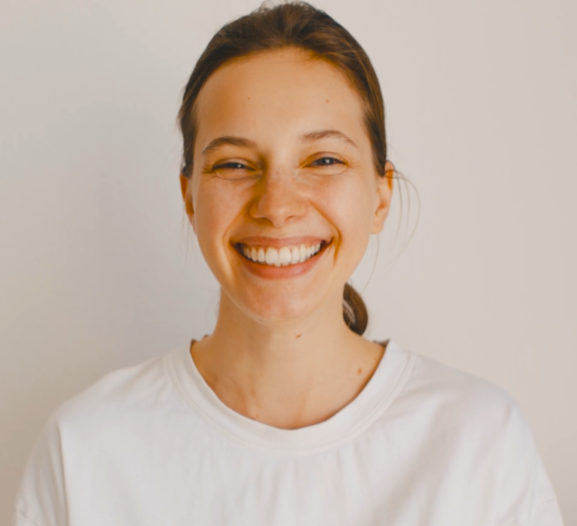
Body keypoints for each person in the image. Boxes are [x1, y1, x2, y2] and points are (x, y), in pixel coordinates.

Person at [13, 2, 564, 525]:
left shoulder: (479, 446)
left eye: (323, 159)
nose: (276, 206)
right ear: (190, 198)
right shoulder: (83, 452)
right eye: (234, 164)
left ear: (380, 196)